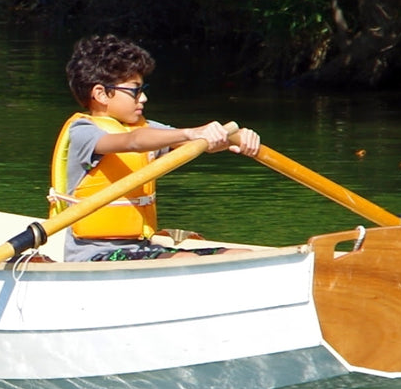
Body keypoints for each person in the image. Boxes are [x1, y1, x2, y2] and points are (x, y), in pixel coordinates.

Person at [49, 34, 261, 262]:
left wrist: (238, 137)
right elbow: (133, 143)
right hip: (93, 255)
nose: (144, 98)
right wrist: (190, 132)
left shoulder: (147, 129)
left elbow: (199, 142)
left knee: (240, 255)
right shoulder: (83, 131)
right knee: (184, 260)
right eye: (135, 91)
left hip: (141, 247)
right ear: (100, 94)